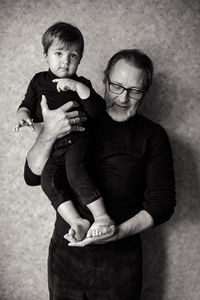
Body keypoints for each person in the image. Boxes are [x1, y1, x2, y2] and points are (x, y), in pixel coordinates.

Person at [24, 49, 176, 299]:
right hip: (67, 253)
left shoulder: (153, 135)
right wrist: (49, 133)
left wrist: (117, 232)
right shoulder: (75, 119)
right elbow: (32, 176)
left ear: (145, 93)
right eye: (116, 86)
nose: (123, 98)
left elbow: (163, 205)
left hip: (121, 259)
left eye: (134, 91)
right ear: (104, 82)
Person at [14, 21, 114, 241]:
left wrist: (78, 88)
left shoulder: (81, 83)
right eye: (58, 53)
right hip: (54, 147)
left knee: (75, 172)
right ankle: (77, 221)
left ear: (79, 59)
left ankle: (102, 216)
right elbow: (26, 104)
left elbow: (97, 111)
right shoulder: (38, 81)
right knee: (47, 179)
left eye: (73, 56)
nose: (65, 61)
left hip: (78, 140)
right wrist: (23, 116)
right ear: (46, 55)